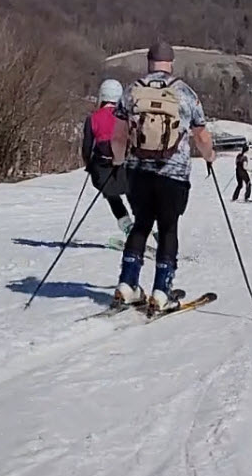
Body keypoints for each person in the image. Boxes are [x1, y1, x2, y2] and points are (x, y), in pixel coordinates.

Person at [109, 40, 214, 313]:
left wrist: (119, 161)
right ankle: (161, 290)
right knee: (168, 228)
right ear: (171, 63)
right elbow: (201, 136)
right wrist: (209, 156)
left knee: (141, 224)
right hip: (174, 174)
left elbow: (118, 136)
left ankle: (127, 284)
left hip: (138, 172)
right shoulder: (185, 93)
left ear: (148, 62)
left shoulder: (132, 91)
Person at [81, 79, 131, 235]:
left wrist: (89, 164)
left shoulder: (92, 118)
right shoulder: (126, 117)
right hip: (124, 163)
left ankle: (126, 224)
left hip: (103, 165)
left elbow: (87, 146)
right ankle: (145, 225)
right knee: (133, 192)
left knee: (111, 194)